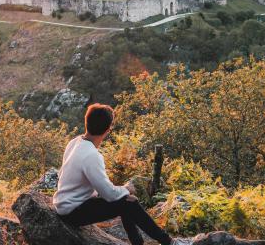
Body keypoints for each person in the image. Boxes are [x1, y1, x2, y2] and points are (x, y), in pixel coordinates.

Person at [53, 103, 174, 245]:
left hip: (66, 204)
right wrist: (126, 189)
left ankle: (139, 242)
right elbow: (109, 194)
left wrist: (122, 193)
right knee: (129, 203)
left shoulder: (74, 142)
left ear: (87, 122)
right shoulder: (91, 155)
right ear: (108, 130)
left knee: (126, 200)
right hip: (73, 211)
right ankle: (169, 242)